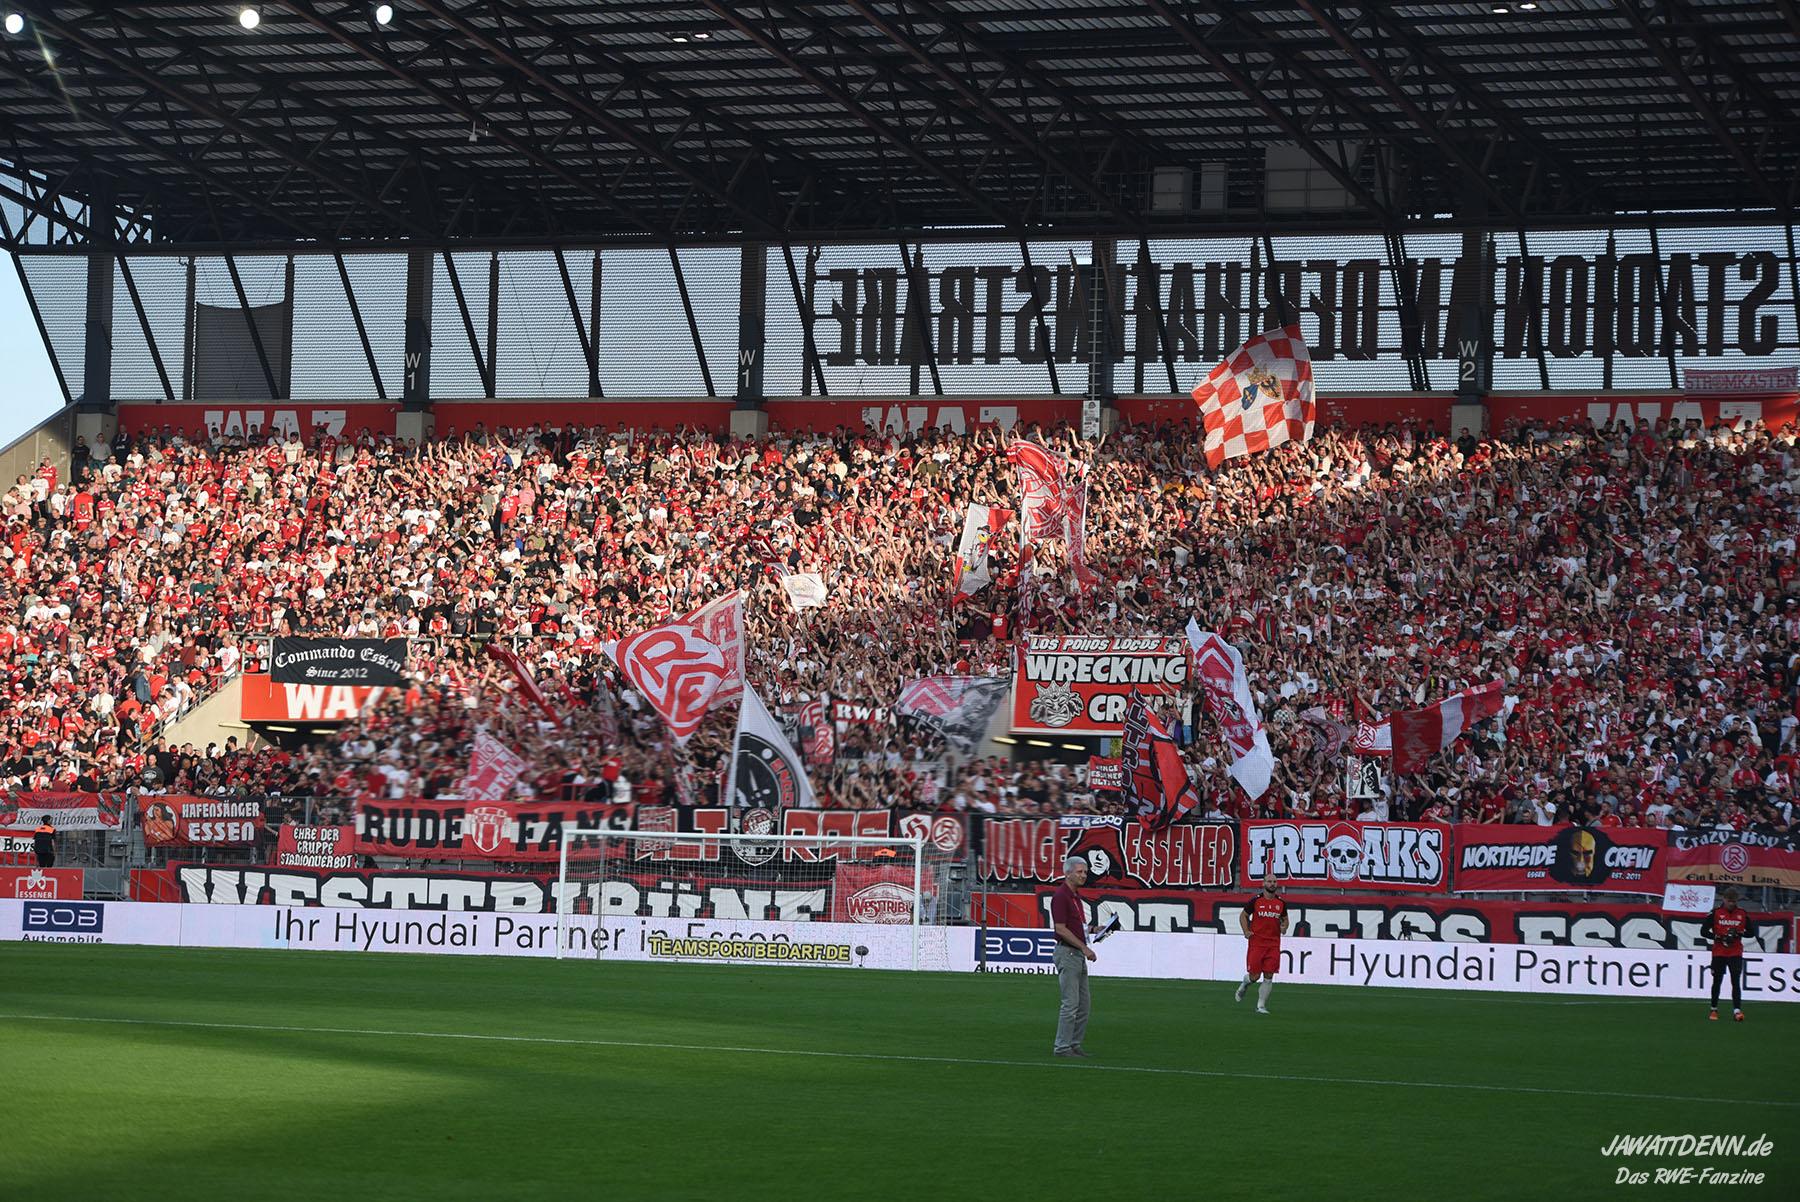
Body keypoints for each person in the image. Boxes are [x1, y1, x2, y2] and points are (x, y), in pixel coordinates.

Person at [1049, 855, 1094, 1058]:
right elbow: (1061, 928)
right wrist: (1085, 947)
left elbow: (1077, 927)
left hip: (1075, 953)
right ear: (1067, 873)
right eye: (1079, 872)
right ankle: (1062, 1047)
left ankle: (1073, 1043)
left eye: (1085, 872)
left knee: (1083, 1005)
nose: (1083, 875)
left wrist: (1096, 929)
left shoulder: (1074, 897)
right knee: (1070, 1004)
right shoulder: (1061, 897)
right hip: (1068, 952)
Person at [1236, 877, 1288, 1014]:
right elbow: (1243, 916)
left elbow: (1285, 919)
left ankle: (1261, 1006)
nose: (1272, 884)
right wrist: (1246, 931)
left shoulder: (1281, 902)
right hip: (1257, 943)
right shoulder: (1256, 900)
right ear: (1263, 884)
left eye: (1274, 881)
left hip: (1273, 944)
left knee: (1269, 975)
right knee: (1254, 976)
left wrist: (1284, 927)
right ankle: (1245, 983)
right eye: (1269, 881)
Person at [1700, 888, 1749, 1022]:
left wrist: (1739, 934)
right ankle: (1714, 1009)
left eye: (1734, 901)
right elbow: (1703, 931)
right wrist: (1718, 937)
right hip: (1719, 952)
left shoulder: (1742, 914)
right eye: (1729, 901)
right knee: (1717, 981)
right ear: (1724, 899)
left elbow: (1751, 932)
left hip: (1735, 952)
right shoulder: (1715, 913)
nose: (1731, 904)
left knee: (1736, 981)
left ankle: (1737, 1011)